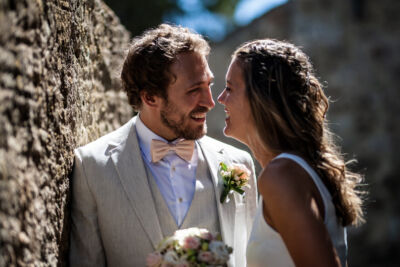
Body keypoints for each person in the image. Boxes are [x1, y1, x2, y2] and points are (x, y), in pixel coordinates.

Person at [69, 24, 257, 267]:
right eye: (193, 90)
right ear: (150, 97)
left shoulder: (239, 163)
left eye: (208, 85)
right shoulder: (92, 167)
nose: (210, 102)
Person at [217, 39, 365, 267]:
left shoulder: (281, 175)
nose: (220, 98)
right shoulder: (293, 170)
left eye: (229, 88)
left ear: (261, 97)